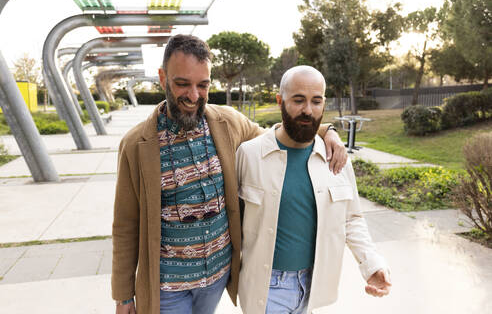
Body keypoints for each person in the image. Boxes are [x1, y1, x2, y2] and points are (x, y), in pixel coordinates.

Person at [111, 35, 347, 314]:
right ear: (163, 78)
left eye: (203, 85)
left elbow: (279, 136)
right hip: (168, 287)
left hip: (216, 281)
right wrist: (124, 296)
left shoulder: (227, 123)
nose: (194, 95)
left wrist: (324, 129)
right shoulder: (136, 144)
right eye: (182, 84)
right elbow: (125, 225)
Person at [236, 66, 391, 314]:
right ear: (280, 101)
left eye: (316, 101)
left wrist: (371, 264)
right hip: (267, 290)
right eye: (298, 100)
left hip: (315, 287)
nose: (308, 110)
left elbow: (351, 219)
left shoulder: (336, 159)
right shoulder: (249, 154)